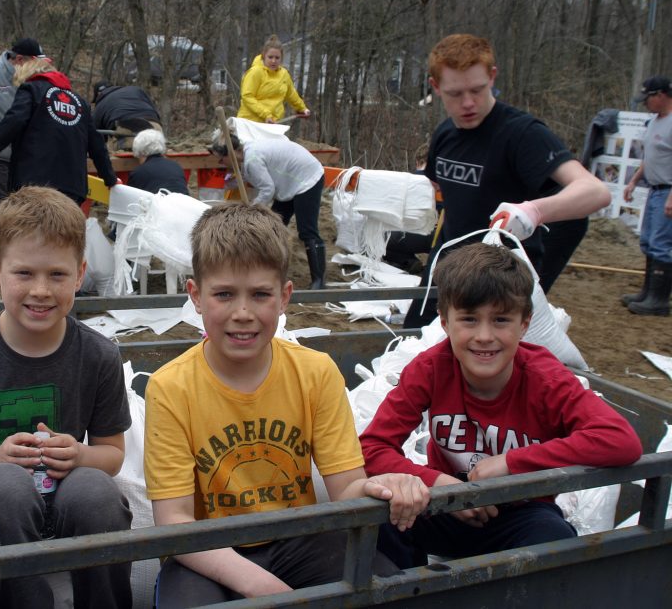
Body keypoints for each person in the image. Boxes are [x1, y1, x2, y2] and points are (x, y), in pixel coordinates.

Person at [143, 203, 428, 606]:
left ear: (284, 297)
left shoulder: (316, 373)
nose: (243, 313)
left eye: (260, 294)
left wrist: (385, 485)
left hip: (301, 539)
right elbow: (173, 521)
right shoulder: (170, 387)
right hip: (209, 549)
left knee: (385, 588)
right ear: (196, 297)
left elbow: (347, 489)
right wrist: (256, 584)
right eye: (224, 294)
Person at [362, 243, 642, 569]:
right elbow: (372, 446)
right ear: (444, 322)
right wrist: (439, 486)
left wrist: (512, 462)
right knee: (374, 515)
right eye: (468, 319)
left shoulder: (546, 378)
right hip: (443, 506)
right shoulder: (431, 368)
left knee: (554, 538)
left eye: (500, 320)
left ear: (524, 324)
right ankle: (410, 593)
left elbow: (620, 439)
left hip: (520, 512)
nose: (484, 336)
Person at [0, 185, 133, 608]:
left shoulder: (98, 355)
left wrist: (79, 455)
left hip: (65, 500)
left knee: (97, 492)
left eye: (57, 275)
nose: (41, 290)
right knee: (5, 487)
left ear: (79, 274)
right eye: (24, 274)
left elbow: (111, 453)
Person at [403, 34, 610, 327]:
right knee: (412, 342)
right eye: (455, 94)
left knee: (480, 355)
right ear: (435, 87)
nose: (468, 103)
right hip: (449, 261)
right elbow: (439, 187)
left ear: (492, 76)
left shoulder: (522, 133)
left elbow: (595, 191)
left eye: (478, 89)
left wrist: (534, 211)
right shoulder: (445, 134)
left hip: (501, 271)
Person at [0, 58, 118, 205]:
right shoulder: (79, 102)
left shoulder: (32, 90)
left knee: (33, 226)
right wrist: (109, 178)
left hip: (35, 183)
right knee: (64, 227)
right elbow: (97, 144)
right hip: (72, 187)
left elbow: (12, 123)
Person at [208, 128, 327, 289]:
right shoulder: (247, 154)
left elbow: (267, 189)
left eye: (221, 160)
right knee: (275, 227)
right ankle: (269, 271)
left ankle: (318, 281)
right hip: (288, 181)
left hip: (306, 178)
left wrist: (253, 210)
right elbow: (253, 179)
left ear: (231, 154)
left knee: (307, 230)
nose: (220, 163)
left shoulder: (252, 159)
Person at [0, 37, 44, 251]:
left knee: (18, 203)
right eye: (34, 63)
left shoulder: (29, 79)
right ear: (19, 59)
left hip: (21, 153)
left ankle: (12, 246)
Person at [621, 76, 672, 317]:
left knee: (662, 245)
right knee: (648, 242)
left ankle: (659, 301)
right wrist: (633, 180)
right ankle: (647, 293)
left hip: (668, 191)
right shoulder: (653, 123)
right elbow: (649, 158)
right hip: (654, 190)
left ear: (661, 95)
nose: (645, 104)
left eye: (648, 98)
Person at [237, 35, 310, 124]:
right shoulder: (255, 72)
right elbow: (247, 96)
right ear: (264, 56)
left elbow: (291, 94)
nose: (273, 61)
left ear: (281, 58)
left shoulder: (284, 74)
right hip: (250, 123)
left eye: (277, 58)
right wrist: (266, 114)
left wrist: (302, 108)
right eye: (270, 57)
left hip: (272, 123)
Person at [92, 82, 162, 149]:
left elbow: (95, 136)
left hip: (128, 131)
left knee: (115, 152)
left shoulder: (100, 105)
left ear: (98, 94)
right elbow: (154, 111)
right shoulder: (136, 89)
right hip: (155, 128)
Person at [126, 129, 188, 195]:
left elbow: (130, 199)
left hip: (159, 204)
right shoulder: (176, 166)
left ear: (140, 151)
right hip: (184, 203)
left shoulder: (138, 173)